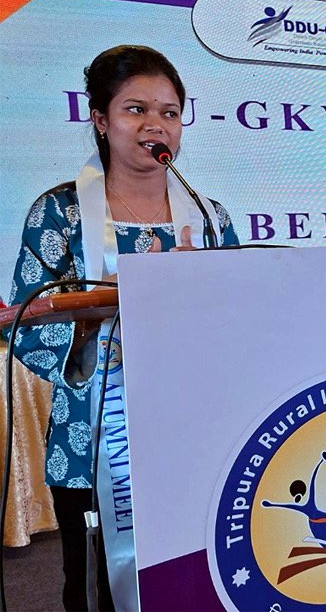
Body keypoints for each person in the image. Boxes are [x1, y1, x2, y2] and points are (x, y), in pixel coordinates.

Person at [6, 45, 239, 611]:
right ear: (100, 120)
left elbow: (242, 321)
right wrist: (102, 312)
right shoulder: (59, 213)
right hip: (93, 441)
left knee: (196, 574)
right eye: (136, 109)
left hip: (194, 435)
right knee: (96, 587)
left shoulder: (210, 219)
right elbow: (26, 327)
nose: (156, 124)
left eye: (169, 112)